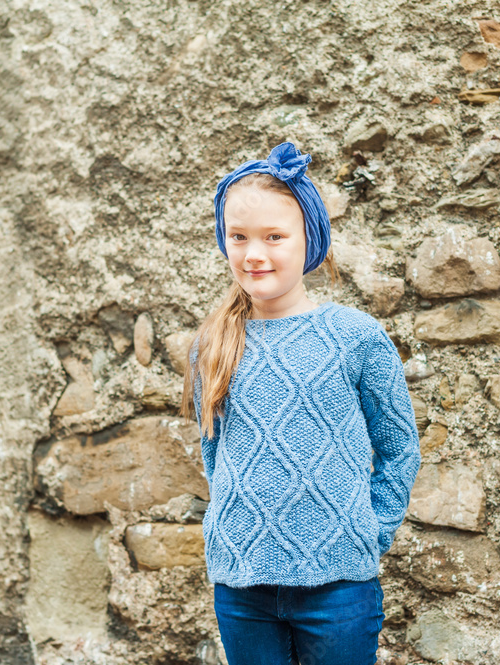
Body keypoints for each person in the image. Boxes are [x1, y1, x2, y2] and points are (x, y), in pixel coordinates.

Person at [180, 141, 421, 665]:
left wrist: (367, 533)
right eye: (238, 237)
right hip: (242, 586)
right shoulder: (213, 343)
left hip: (338, 587)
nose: (254, 253)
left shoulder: (354, 336)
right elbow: (217, 456)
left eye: (274, 237)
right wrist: (231, 534)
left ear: (308, 240)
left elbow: (399, 448)